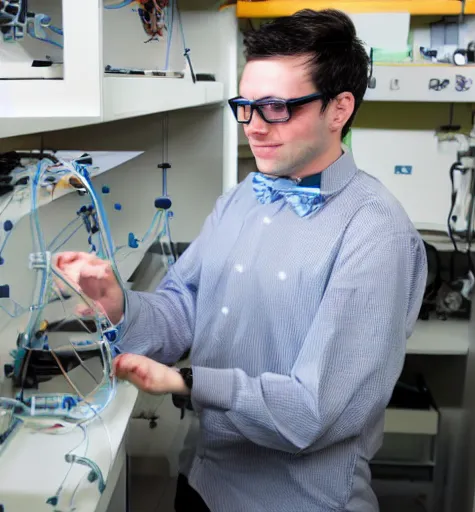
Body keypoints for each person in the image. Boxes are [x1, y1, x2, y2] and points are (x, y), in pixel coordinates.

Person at [55, 9, 427, 512]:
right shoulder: (241, 199)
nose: (253, 127)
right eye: (245, 106)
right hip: (204, 480)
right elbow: (184, 307)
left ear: (339, 109)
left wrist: (188, 382)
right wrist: (119, 306)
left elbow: (312, 414)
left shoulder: (376, 231)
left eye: (275, 108)